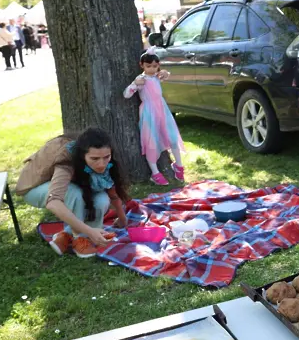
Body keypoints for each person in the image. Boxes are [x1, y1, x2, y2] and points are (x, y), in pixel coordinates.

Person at [15, 128, 130, 258]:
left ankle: (71, 236)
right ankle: (80, 238)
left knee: (102, 199)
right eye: (95, 158)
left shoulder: (106, 159)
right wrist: (88, 231)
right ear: (82, 155)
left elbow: (112, 192)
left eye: (106, 157)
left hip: (66, 187)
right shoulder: (66, 160)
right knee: (74, 193)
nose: (101, 164)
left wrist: (122, 218)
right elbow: (53, 203)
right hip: (35, 188)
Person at [123, 47, 185, 185]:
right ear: (142, 65)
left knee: (172, 137)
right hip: (149, 112)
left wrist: (165, 73)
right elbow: (126, 94)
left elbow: (165, 75)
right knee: (151, 141)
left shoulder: (157, 76)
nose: (152, 69)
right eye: (148, 66)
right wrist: (134, 84)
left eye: (155, 66)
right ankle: (155, 172)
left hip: (162, 111)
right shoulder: (141, 79)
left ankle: (179, 165)